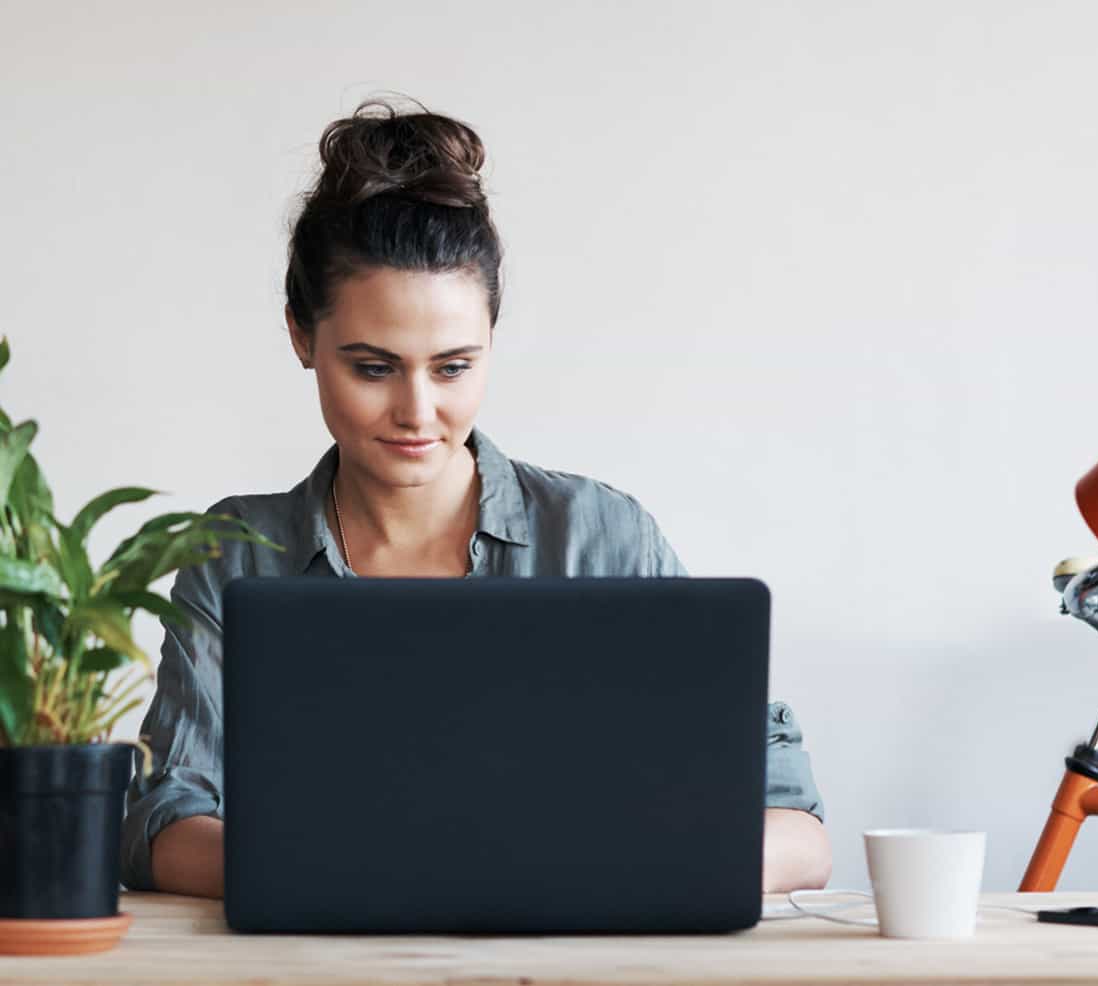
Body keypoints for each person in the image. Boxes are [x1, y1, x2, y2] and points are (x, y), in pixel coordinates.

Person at [120, 98, 832, 899]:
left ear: (493, 338)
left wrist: (600, 866)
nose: (419, 413)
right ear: (300, 336)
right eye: (373, 367)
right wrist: (376, 875)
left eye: (454, 367)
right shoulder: (238, 551)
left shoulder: (600, 536)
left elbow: (797, 832)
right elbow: (165, 827)